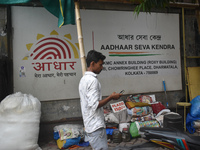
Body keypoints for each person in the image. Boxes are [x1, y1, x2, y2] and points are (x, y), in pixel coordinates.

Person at [79, 50, 122, 150]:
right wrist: (111, 97)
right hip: (96, 126)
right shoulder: (92, 81)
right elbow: (94, 104)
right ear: (92, 64)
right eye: (100, 65)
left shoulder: (83, 79)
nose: (102, 67)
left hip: (90, 124)